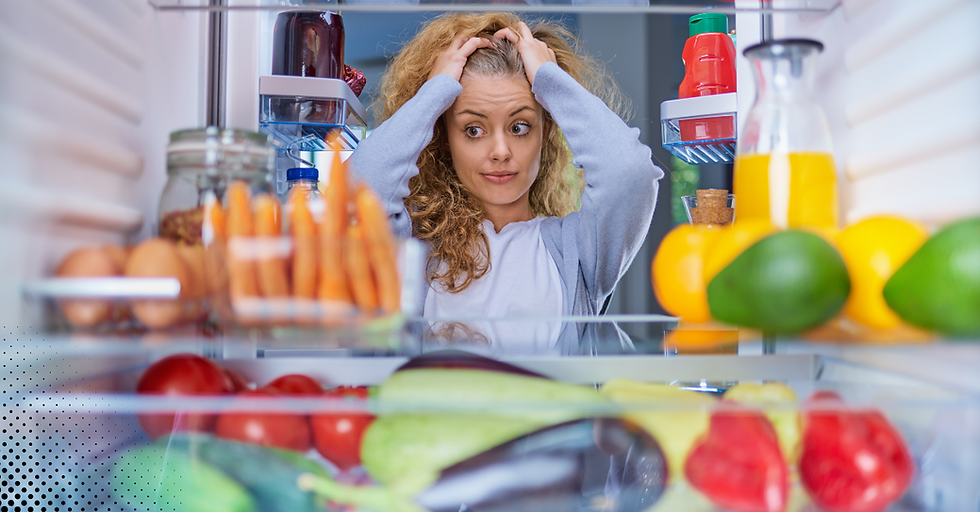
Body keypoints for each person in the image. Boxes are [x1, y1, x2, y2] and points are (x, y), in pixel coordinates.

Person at [349, 12, 663, 323]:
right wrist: (435, 92)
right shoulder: (415, 251)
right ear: (444, 138)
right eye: (473, 129)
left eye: (520, 127)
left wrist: (549, 78)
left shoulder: (577, 252)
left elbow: (629, 174)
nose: (500, 152)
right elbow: (357, 188)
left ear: (547, 132)